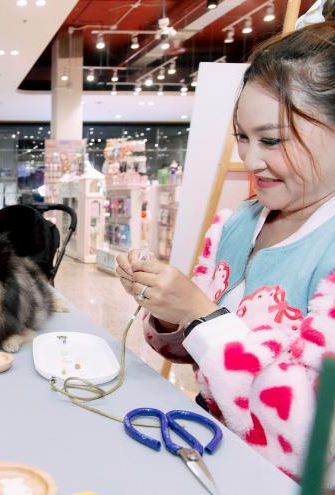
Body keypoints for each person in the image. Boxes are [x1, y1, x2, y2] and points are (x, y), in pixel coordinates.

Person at [117, 22, 335, 483]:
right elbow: (192, 352)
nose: (251, 160)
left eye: (271, 140)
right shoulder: (237, 224)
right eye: (242, 137)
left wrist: (200, 314)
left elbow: (309, 442)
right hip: (209, 450)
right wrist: (169, 311)